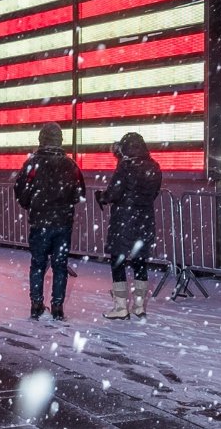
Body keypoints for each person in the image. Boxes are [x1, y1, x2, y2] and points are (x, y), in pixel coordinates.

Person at [13, 122, 85, 321]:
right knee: (60, 265)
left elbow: (20, 188)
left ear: (41, 139)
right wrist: (65, 202)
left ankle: (36, 304)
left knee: (38, 264)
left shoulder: (33, 163)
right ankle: (58, 307)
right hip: (63, 223)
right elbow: (80, 192)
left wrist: (31, 204)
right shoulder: (70, 164)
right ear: (60, 140)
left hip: (40, 221)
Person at [96, 132, 162, 320]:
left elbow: (114, 192)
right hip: (145, 219)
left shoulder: (125, 167)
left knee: (118, 261)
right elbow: (154, 192)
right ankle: (139, 305)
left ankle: (120, 306)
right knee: (140, 261)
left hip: (124, 220)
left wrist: (103, 196)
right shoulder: (154, 167)